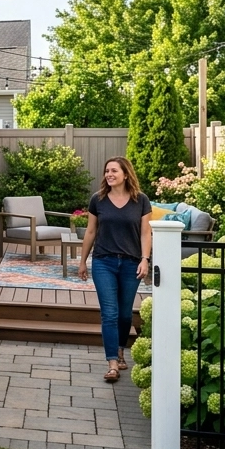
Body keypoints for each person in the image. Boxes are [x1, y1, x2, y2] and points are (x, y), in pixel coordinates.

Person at [77, 156, 152, 383]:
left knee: (125, 313)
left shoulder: (141, 201)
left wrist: (145, 259)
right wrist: (82, 262)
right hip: (104, 262)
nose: (109, 174)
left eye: (114, 171)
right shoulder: (97, 200)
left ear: (126, 174)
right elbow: (90, 232)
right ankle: (112, 363)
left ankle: (120, 349)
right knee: (109, 313)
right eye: (107, 171)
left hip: (131, 263)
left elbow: (145, 233)